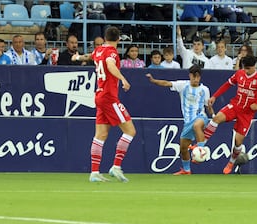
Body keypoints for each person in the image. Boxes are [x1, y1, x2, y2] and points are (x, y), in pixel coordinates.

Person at [71, 26, 136, 183]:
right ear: (118, 39)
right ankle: (116, 167)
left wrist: (77, 58)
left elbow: (89, 56)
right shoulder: (111, 53)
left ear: (105, 38)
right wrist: (123, 79)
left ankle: (94, 172)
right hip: (109, 97)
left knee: (101, 135)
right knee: (130, 131)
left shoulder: (99, 50)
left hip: (99, 95)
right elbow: (110, 65)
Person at [203, 55, 257, 174]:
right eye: (244, 68)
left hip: (247, 114)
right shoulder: (239, 74)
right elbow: (227, 84)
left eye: (248, 68)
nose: (246, 71)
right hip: (235, 105)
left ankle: (231, 162)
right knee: (216, 118)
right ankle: (201, 145)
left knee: (238, 142)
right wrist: (214, 96)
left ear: (254, 66)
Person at [146, 64, 214, 175]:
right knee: (183, 148)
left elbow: (208, 106)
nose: (196, 79)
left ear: (200, 77)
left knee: (197, 126)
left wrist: (213, 115)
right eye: (194, 76)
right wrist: (153, 81)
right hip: (188, 121)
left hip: (201, 117)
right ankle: (187, 170)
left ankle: (200, 151)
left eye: (198, 77)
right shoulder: (183, 85)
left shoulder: (204, 89)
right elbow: (166, 83)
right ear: (190, 76)